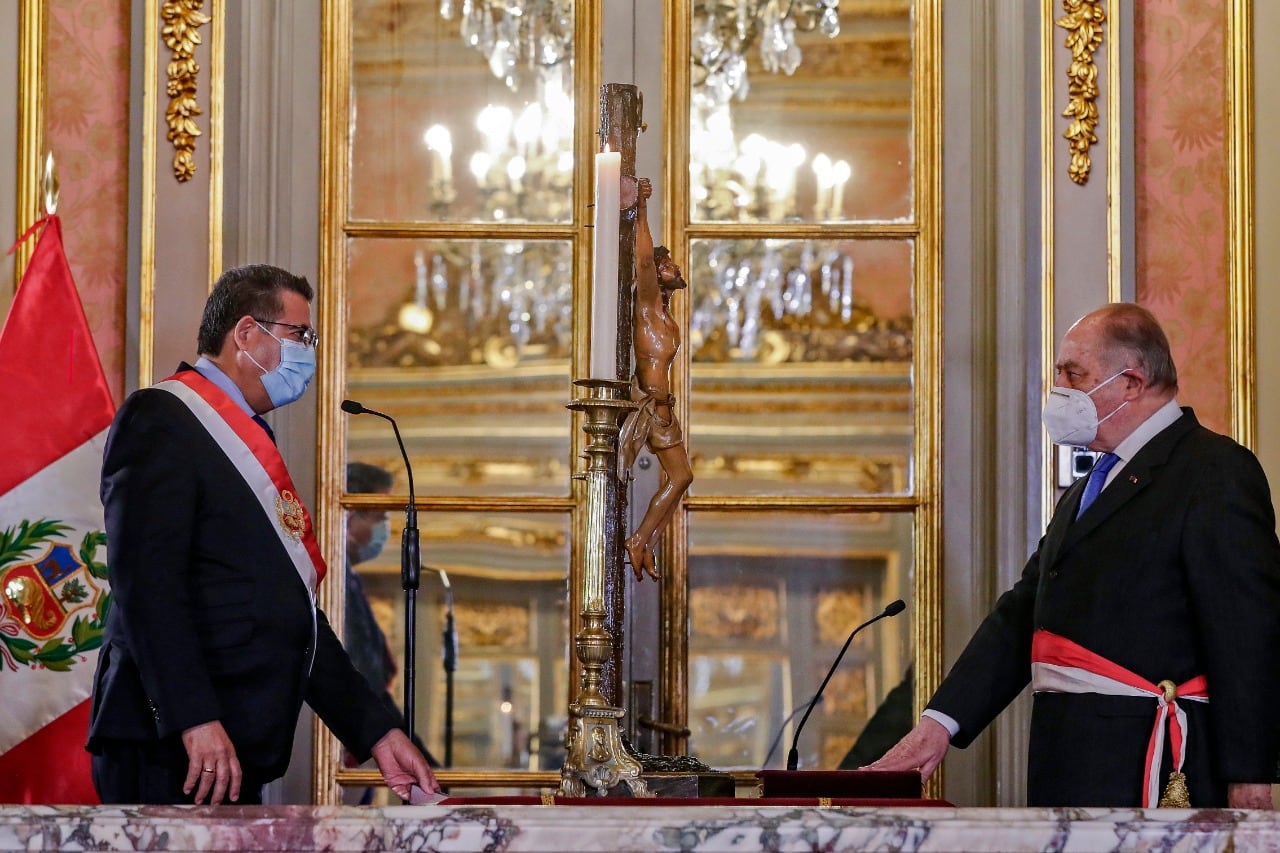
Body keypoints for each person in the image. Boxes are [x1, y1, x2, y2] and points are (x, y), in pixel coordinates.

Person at [869, 303, 1280, 809]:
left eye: (1073, 374)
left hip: (1152, 770)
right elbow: (1026, 611)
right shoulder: (1090, 485)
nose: (1060, 388)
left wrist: (1251, 778)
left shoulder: (1213, 470)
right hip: (1069, 765)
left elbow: (1247, 634)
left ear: (1130, 382)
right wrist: (940, 724)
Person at [87, 264, 439, 805]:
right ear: (247, 334)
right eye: (300, 335)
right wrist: (194, 717)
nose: (308, 352)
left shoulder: (245, 436)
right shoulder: (162, 418)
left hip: (231, 742)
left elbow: (291, 614)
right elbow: (147, 587)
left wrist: (378, 732)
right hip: (171, 744)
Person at [617, 177, 694, 581]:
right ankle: (640, 540)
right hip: (651, 407)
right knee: (681, 476)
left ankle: (645, 542)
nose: (674, 267)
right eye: (668, 264)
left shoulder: (663, 315)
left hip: (665, 408)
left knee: (684, 477)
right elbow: (643, 258)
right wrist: (642, 208)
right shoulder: (647, 306)